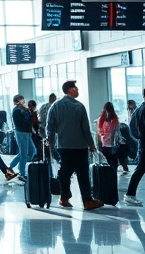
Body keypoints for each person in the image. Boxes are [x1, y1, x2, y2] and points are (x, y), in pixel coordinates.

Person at [45, 81, 103, 210]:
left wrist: (50, 141)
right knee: (83, 173)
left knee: (65, 172)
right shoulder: (79, 106)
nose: (78, 91)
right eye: (76, 89)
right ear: (71, 90)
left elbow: (50, 126)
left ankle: (64, 198)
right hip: (80, 146)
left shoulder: (55, 106)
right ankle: (87, 201)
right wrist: (91, 144)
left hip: (63, 146)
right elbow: (85, 128)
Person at [8, 95, 36, 178]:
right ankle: (22, 173)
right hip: (21, 133)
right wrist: (29, 116)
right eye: (20, 100)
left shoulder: (25, 109)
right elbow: (20, 123)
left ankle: (12, 166)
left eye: (23, 100)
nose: (23, 101)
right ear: (17, 102)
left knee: (32, 150)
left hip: (27, 133)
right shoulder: (16, 110)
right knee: (24, 153)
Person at [97, 102, 126, 175]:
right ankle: (113, 179)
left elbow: (99, 132)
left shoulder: (101, 119)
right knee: (113, 163)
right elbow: (118, 132)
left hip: (106, 145)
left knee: (107, 163)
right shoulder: (114, 119)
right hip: (112, 145)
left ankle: (109, 178)